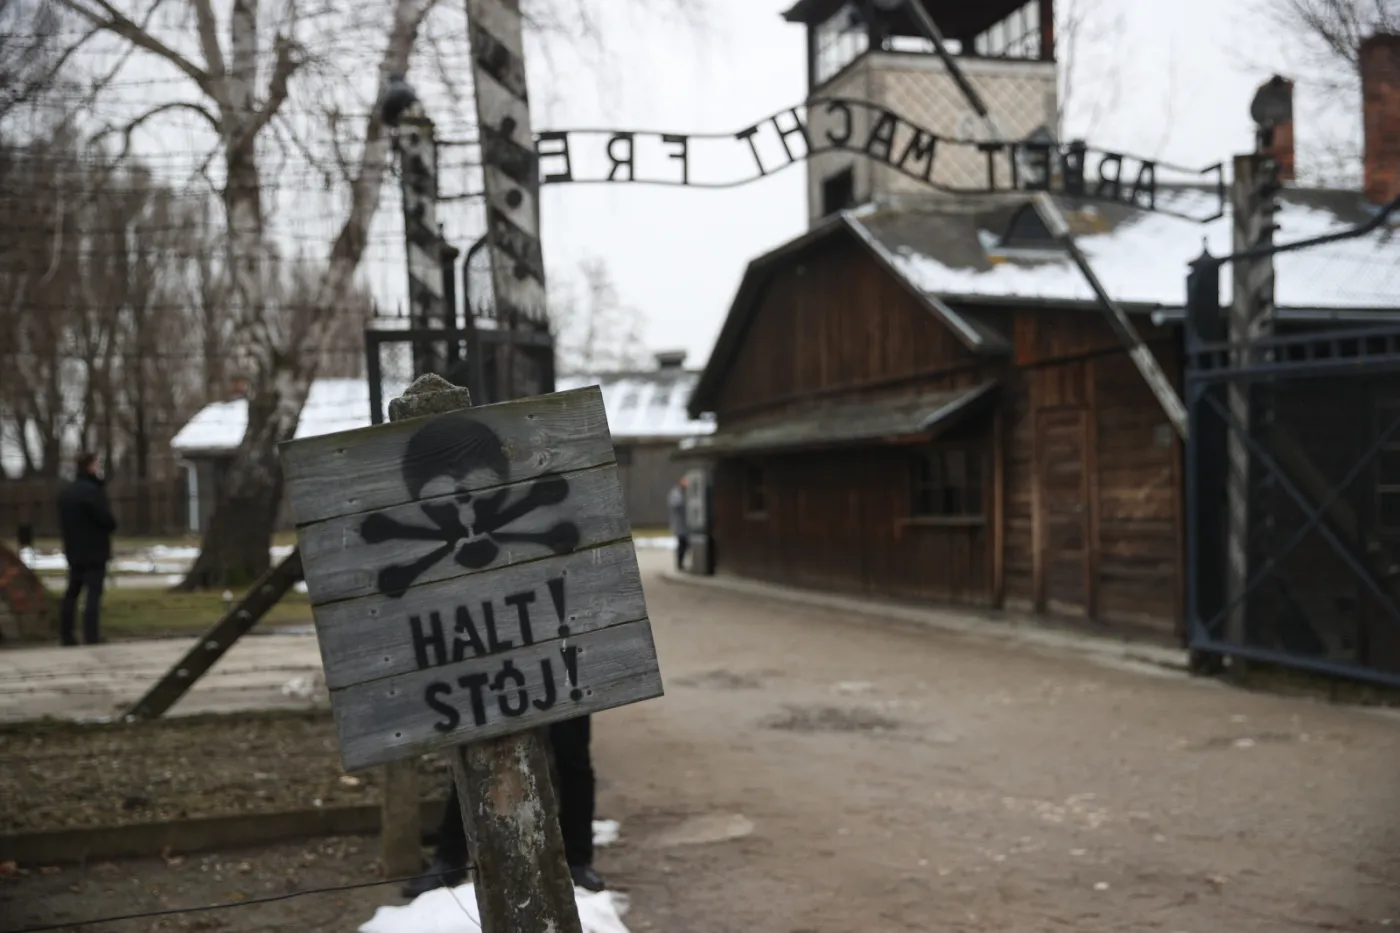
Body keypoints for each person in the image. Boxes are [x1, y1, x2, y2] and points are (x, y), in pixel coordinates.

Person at [402, 715, 603, 898]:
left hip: (562, 679)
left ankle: (578, 861)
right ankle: (449, 859)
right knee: (476, 753)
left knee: (573, 757)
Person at [56, 452, 116, 646]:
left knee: (72, 592)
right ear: (90, 466)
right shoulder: (92, 492)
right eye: (97, 464)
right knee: (93, 594)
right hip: (95, 550)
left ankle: (66, 634)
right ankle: (91, 634)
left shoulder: (68, 492)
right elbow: (105, 520)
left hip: (74, 549)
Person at [667, 477, 689, 571]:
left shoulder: (685, 493)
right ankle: (680, 564)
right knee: (682, 543)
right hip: (679, 523)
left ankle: (682, 563)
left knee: (687, 544)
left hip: (686, 524)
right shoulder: (675, 493)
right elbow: (674, 504)